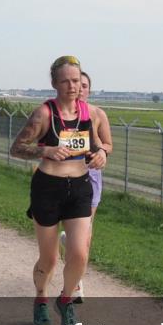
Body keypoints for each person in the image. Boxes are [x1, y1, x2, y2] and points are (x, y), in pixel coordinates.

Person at [10, 56, 107, 325]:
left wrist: (101, 155)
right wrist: (45, 150)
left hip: (79, 188)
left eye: (76, 80)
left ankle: (65, 300)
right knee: (50, 258)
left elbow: (102, 145)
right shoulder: (44, 114)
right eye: (65, 81)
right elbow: (16, 148)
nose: (72, 86)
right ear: (54, 83)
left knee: (79, 253)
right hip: (48, 188)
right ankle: (41, 298)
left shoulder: (92, 114)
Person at [59, 71, 113, 303]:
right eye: (73, 84)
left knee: (85, 238)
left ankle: (74, 284)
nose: (79, 88)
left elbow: (109, 144)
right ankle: (68, 246)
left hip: (90, 178)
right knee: (75, 236)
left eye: (83, 85)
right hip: (62, 177)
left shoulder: (98, 114)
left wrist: (102, 151)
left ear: (89, 89)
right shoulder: (56, 114)